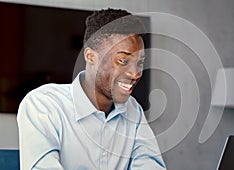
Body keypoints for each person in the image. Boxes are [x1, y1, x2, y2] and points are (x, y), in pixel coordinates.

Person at [17, 8, 166, 170]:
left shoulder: (133, 111)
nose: (135, 73)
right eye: (123, 60)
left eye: (140, 63)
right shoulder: (43, 104)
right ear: (90, 56)